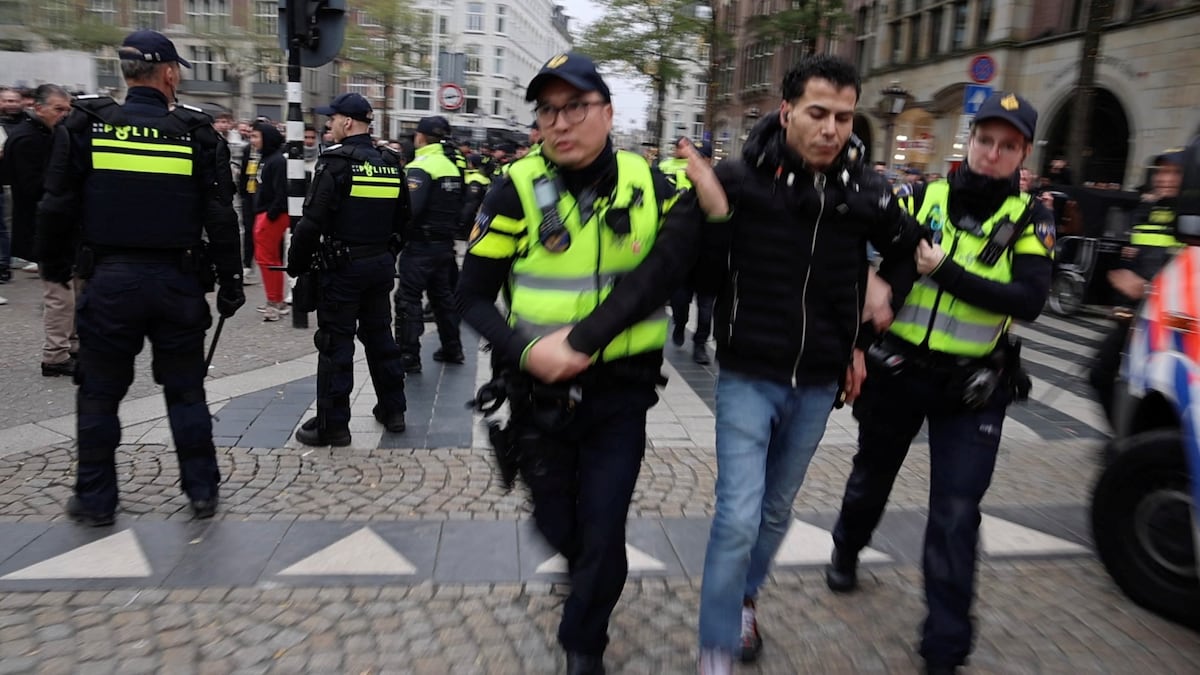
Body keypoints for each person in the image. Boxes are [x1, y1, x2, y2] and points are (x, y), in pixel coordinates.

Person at [554, 55, 923, 674]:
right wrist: (718, 214)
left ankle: (746, 597)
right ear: (787, 112)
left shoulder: (868, 190)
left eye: (844, 116)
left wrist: (881, 300)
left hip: (818, 383)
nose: (833, 129)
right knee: (737, 514)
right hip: (749, 374)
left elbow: (911, 251)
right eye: (818, 114)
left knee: (776, 512)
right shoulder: (739, 177)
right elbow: (690, 273)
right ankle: (718, 646)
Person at [457, 52, 717, 675]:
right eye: (548, 110)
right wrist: (523, 351)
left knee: (603, 530)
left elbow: (701, 271)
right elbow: (468, 295)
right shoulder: (515, 188)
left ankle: (584, 644)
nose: (561, 122)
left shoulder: (652, 184)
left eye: (576, 107)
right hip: (536, 395)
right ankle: (585, 578)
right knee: (556, 523)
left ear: (606, 112)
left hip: (620, 395)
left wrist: (716, 213)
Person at [826, 92, 1055, 675]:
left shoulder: (1030, 217)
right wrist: (861, 323)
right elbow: (873, 258)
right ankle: (847, 546)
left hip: (972, 386)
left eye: (1007, 146)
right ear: (970, 141)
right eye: (985, 141)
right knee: (870, 475)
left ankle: (945, 647)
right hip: (899, 371)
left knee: (956, 512)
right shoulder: (921, 197)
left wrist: (945, 272)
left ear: (1023, 154)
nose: (992, 154)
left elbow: (1028, 300)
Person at [36, 29, 245, 526]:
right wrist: (231, 284)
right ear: (169, 73)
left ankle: (95, 499)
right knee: (186, 391)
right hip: (178, 283)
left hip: (108, 281)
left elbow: (55, 207)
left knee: (100, 392)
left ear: (127, 72)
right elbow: (220, 216)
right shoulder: (197, 133)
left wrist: (56, 269)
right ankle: (201, 492)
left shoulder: (85, 125)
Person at [285, 92, 410, 446]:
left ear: (348, 123)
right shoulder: (389, 161)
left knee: (335, 344)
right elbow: (405, 220)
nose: (328, 125)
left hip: (342, 270)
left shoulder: (334, 163)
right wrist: (384, 253)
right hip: (379, 267)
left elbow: (311, 223)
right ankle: (393, 410)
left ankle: (333, 425)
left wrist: (297, 264)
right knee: (380, 338)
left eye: (332, 118)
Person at [1088, 148, 1184, 423]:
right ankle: (1122, 441)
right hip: (1138, 316)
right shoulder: (1148, 210)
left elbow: (1184, 280)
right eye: (1162, 171)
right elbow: (1139, 261)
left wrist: (1144, 290)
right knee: (1099, 374)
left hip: (1175, 323)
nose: (1165, 178)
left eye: (1174, 172)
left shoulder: (1189, 219)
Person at [5, 84, 74, 375]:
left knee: (68, 292)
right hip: (44, 228)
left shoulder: (48, 134)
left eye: (67, 110)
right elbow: (35, 188)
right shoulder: (27, 139)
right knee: (59, 296)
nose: (64, 115)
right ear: (39, 107)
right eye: (59, 109)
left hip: (56, 227)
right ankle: (55, 356)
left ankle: (69, 347)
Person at [393, 115, 464, 373]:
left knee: (407, 299)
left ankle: (408, 355)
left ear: (420, 137)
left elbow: (410, 209)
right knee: (442, 298)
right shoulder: (452, 166)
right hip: (444, 245)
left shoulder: (421, 165)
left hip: (421, 246)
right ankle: (452, 347)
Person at [248, 121, 290, 321]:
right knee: (266, 259)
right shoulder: (266, 159)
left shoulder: (277, 161)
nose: (252, 141)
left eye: (256, 136)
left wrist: (271, 214)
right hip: (264, 212)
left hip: (271, 215)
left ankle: (275, 301)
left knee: (268, 259)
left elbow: (281, 191)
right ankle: (274, 299)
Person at [459, 152, 491, 240]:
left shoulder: (474, 179)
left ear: (472, 164)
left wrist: (462, 221)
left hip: (469, 221)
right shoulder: (484, 177)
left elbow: (470, 203)